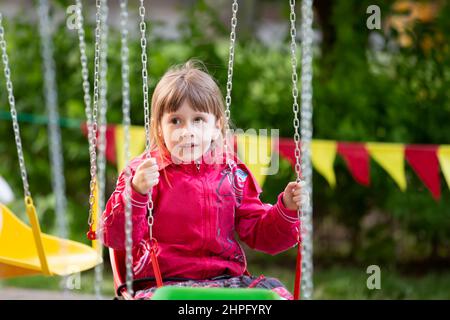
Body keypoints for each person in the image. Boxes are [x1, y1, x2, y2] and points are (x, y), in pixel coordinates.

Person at [101, 60, 308, 300]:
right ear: (159, 127)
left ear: (216, 126)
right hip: (161, 284)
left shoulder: (232, 173)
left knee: (278, 297)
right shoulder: (144, 173)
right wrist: (136, 192)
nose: (187, 130)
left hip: (226, 282)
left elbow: (262, 235)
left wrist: (287, 209)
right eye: (175, 120)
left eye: (198, 119)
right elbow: (114, 237)